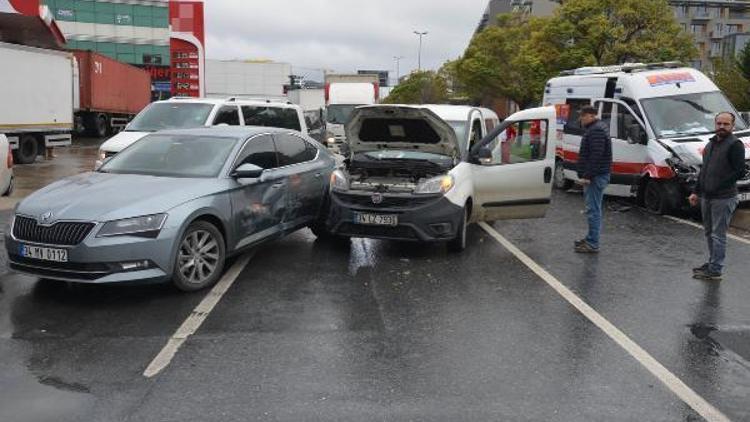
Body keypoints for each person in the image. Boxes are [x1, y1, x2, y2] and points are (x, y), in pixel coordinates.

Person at [688, 112, 745, 281]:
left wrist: (718, 185)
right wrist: (696, 192)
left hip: (724, 197)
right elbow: (704, 170)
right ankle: (712, 262)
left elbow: (739, 171)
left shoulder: (735, 144)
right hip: (707, 196)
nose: (721, 127)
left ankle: (716, 269)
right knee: (709, 232)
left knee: (718, 234)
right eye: (719, 123)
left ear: (732, 126)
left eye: (726, 124)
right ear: (715, 124)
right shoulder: (711, 144)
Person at [575, 106, 612, 253]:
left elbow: (596, 156)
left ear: (591, 116)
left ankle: (592, 243)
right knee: (593, 209)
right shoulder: (598, 127)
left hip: (596, 176)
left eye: (583, 116)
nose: (580, 119)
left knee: (593, 210)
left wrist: (587, 176)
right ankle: (591, 238)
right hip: (598, 174)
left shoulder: (596, 130)